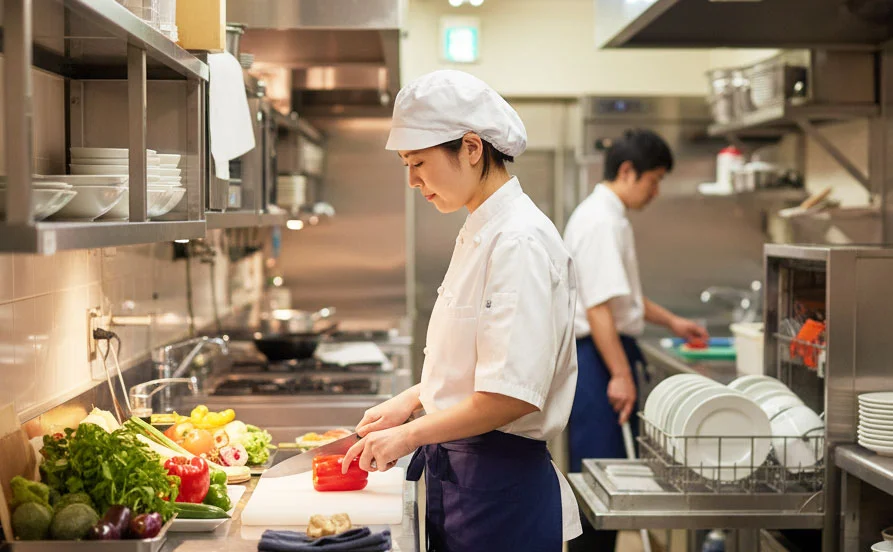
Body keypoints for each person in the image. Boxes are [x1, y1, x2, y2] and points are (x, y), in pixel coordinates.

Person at [340, 70, 582, 551]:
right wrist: (411, 400)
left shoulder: (519, 240)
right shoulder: (483, 229)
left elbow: (511, 396)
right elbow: (479, 362)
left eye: (419, 163)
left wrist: (408, 437)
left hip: (502, 499)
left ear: (472, 148)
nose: (413, 181)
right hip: (468, 486)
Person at [563, 129, 709, 551]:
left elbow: (620, 293)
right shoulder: (600, 221)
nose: (656, 191)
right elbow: (598, 308)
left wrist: (673, 322)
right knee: (600, 486)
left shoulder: (608, 217)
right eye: (654, 179)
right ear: (628, 171)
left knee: (608, 482)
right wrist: (621, 374)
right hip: (598, 359)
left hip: (605, 355)